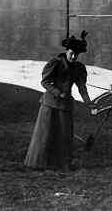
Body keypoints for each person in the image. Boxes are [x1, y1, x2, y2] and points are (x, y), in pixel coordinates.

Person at [24, 31, 95, 171]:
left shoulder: (79, 68)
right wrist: (60, 93)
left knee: (65, 135)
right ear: (66, 51)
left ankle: (64, 164)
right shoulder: (55, 64)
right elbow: (44, 82)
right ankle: (39, 164)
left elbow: (82, 87)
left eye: (76, 54)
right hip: (49, 104)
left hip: (66, 106)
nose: (74, 57)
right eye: (71, 53)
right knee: (44, 135)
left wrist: (88, 102)